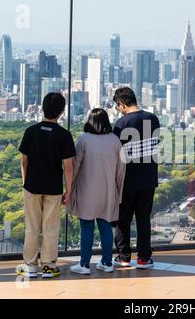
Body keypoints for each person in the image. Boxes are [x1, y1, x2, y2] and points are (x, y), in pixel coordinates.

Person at [17, 93, 76, 278]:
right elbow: (68, 167)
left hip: (32, 185)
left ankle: (30, 266)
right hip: (53, 187)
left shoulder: (31, 131)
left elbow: (24, 162)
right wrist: (69, 189)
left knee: (32, 227)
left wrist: (25, 182)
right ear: (61, 112)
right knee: (50, 227)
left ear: (42, 108)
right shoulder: (64, 135)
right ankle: (49, 265)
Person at [67, 108, 126, 275]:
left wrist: (69, 189)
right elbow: (122, 171)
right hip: (108, 191)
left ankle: (84, 264)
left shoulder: (84, 139)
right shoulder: (115, 141)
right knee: (106, 227)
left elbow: (75, 166)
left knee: (86, 227)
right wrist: (118, 192)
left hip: (86, 191)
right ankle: (107, 262)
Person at [112, 87, 160, 269]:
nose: (119, 110)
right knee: (143, 219)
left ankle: (124, 257)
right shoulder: (153, 119)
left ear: (122, 104)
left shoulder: (121, 124)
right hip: (148, 177)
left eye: (118, 107)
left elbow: (116, 151)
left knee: (123, 220)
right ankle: (144, 258)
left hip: (126, 179)